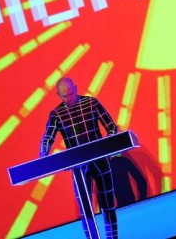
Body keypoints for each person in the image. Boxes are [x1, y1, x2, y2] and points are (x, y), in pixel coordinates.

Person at [40, 77, 119, 239]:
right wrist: (43, 156)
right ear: (57, 95)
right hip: (79, 169)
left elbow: (111, 127)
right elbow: (48, 137)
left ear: (76, 88)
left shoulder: (91, 103)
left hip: (101, 162)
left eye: (71, 93)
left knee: (108, 206)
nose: (69, 98)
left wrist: (108, 149)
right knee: (86, 210)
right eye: (64, 96)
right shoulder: (56, 114)